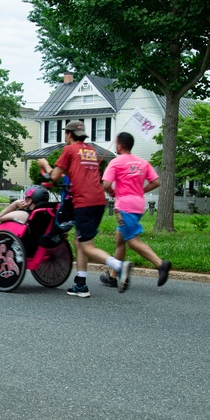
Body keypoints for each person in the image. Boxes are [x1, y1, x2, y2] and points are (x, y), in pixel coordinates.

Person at [37, 121, 129, 297]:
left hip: (84, 202)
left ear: (69, 134)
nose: (65, 137)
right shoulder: (91, 150)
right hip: (98, 200)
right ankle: (81, 284)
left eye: (65, 134)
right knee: (80, 241)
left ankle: (119, 266)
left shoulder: (70, 150)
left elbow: (53, 176)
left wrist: (44, 164)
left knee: (87, 246)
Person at [100, 132, 172, 288]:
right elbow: (156, 182)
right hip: (138, 205)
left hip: (124, 207)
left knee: (132, 241)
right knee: (120, 241)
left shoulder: (116, 162)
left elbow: (106, 184)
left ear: (119, 145)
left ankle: (160, 264)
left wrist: (112, 192)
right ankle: (112, 277)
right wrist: (141, 190)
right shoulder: (142, 163)